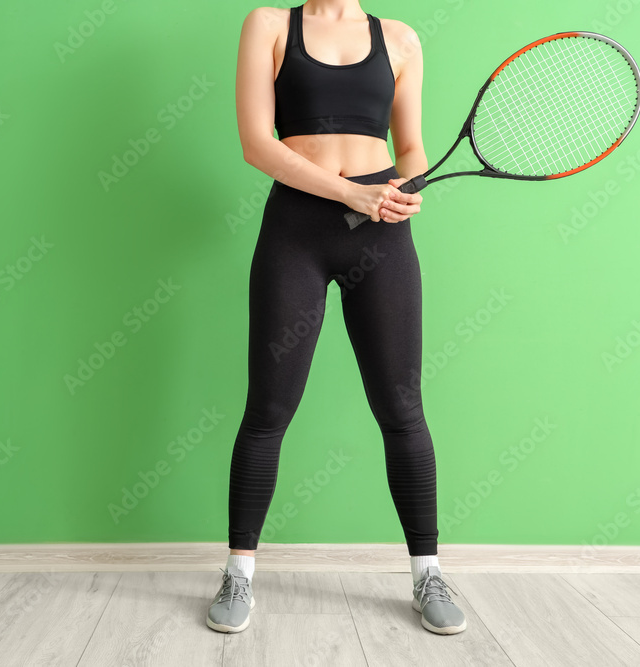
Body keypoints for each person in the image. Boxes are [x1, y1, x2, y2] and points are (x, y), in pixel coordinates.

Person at [206, 0, 467, 636]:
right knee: (267, 412)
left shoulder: (401, 39)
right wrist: (350, 192)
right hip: (295, 232)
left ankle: (427, 574)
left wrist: (408, 186)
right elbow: (255, 144)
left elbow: (409, 145)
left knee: (403, 410)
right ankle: (239, 575)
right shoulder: (268, 25)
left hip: (380, 236)